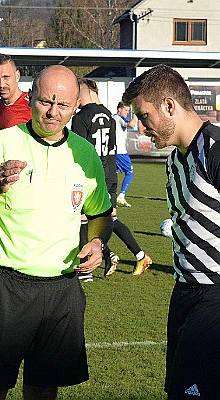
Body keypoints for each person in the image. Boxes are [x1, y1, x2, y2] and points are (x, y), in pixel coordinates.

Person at [0, 65, 113, 400]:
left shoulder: (85, 154)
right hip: (7, 289)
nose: (53, 112)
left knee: (44, 389)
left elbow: (100, 213)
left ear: (75, 106)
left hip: (62, 291)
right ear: (31, 98)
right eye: (45, 102)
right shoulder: (2, 143)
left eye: (63, 106)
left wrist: (98, 241)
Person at [122, 64, 220, 399]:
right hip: (185, 293)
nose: (140, 125)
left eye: (144, 115)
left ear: (169, 105)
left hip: (214, 295)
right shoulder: (174, 160)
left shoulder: (215, 150)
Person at [72, 78, 152, 277]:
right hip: (108, 175)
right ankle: (127, 255)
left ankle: (88, 269)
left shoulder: (81, 117)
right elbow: (111, 151)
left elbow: (78, 154)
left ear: (85, 92)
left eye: (76, 94)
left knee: (84, 219)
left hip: (89, 177)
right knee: (107, 219)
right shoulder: (108, 115)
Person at [0, 53, 32, 133]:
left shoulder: (31, 106)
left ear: (17, 76)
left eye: (6, 77)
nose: (1, 85)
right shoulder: (0, 104)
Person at [113, 101, 137, 207]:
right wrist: (137, 113)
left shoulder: (114, 118)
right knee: (130, 172)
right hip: (120, 152)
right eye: (126, 110)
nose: (127, 113)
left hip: (114, 151)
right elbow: (131, 124)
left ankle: (111, 198)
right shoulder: (118, 118)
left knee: (112, 175)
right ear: (119, 109)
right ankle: (121, 196)